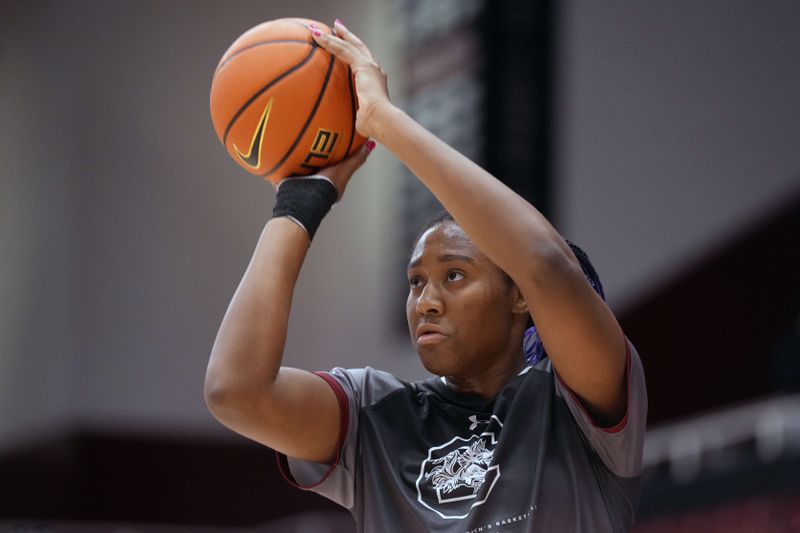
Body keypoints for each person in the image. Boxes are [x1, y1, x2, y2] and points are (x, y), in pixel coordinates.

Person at [204, 19, 647, 532]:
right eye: (415, 282)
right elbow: (234, 392)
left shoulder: (573, 402)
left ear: (520, 297)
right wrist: (299, 204)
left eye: (454, 276)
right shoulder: (376, 416)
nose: (426, 302)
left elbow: (545, 263)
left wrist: (385, 122)